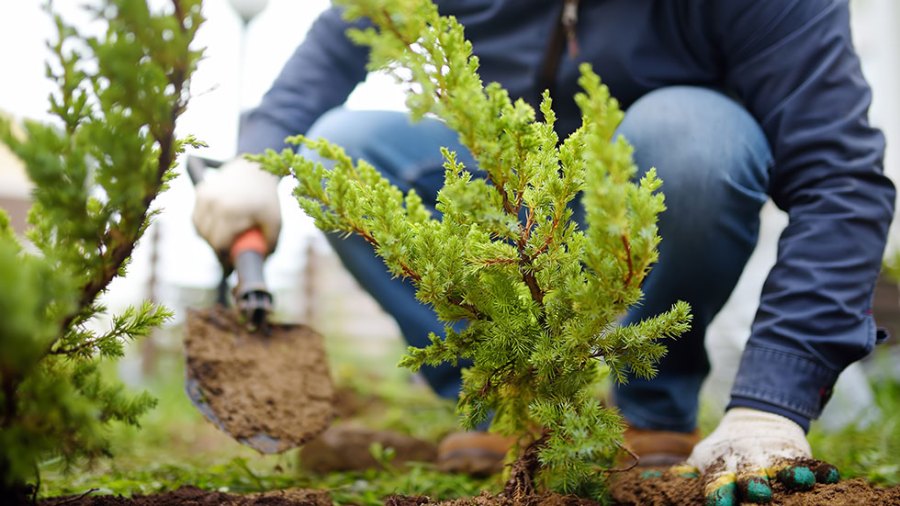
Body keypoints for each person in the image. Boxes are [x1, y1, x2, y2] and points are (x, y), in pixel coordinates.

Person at [193, 0, 895, 502]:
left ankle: (652, 404)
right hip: (516, 203)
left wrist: (772, 402)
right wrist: (257, 158)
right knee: (339, 149)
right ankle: (507, 401)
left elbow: (840, 179)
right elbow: (343, 33)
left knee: (692, 137)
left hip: (659, 197)